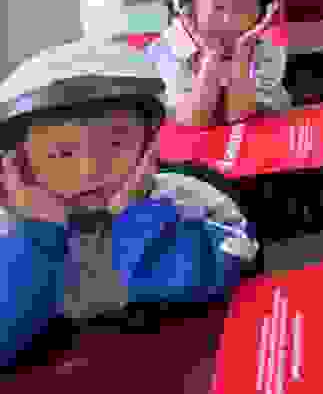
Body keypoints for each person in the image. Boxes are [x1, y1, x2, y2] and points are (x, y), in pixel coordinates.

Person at [0, 39, 259, 368]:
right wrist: (38, 235)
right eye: (61, 153)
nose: (89, 170)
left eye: (115, 145)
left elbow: (229, 272)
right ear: (20, 164)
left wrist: (138, 217)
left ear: (149, 145)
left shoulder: (191, 200)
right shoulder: (9, 229)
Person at [146, 0, 286, 126]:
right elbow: (196, 119)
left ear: (262, 13)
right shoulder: (166, 48)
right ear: (189, 10)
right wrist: (212, 56)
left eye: (243, 9)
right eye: (218, 7)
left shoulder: (268, 48)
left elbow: (239, 116)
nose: (228, 20)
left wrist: (243, 53)